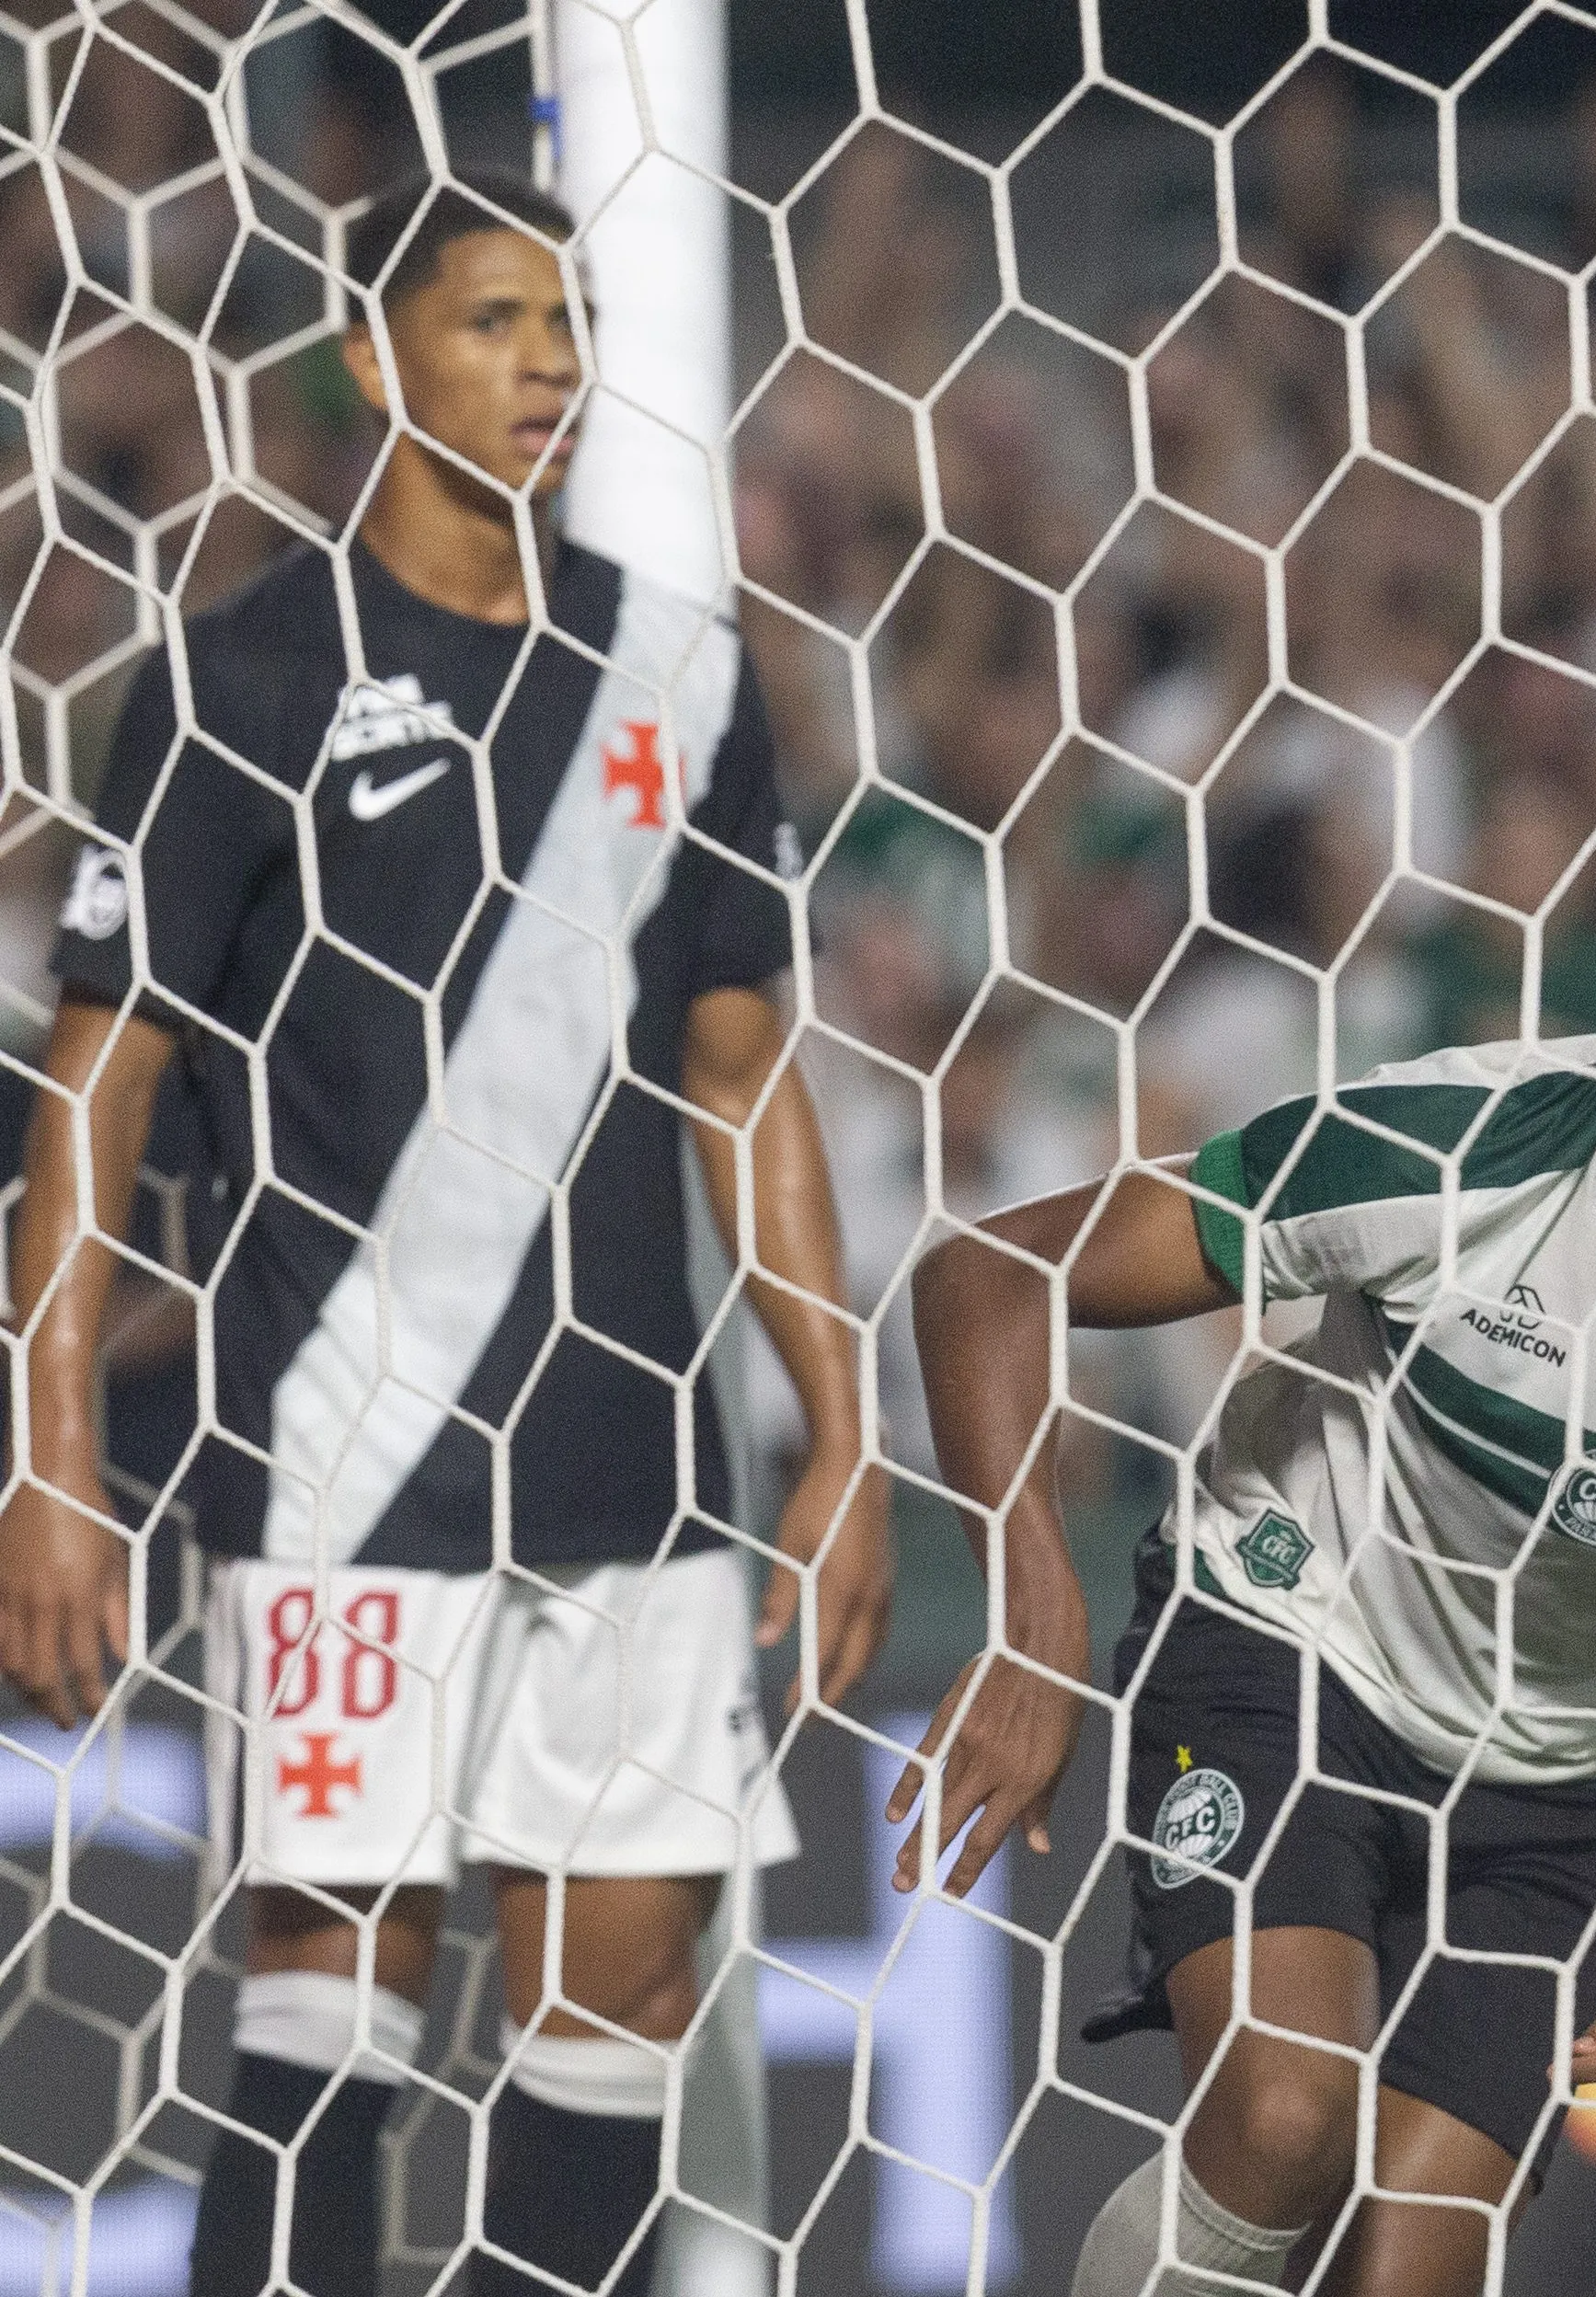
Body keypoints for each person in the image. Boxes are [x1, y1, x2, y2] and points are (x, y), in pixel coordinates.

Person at [0, 173, 887, 2297]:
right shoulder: (243, 679)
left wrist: (843, 1431)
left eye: (569, 323)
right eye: (494, 320)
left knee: (623, 2006)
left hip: (633, 1464)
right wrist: (50, 1458)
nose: (549, 363)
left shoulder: (679, 674)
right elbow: (99, 1086)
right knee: (330, 2007)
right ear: (372, 360)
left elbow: (744, 1071)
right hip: (351, 1457)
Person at [899, 807, 1596, 2297]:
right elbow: (990, 1276)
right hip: (1291, 1649)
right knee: (1287, 2120)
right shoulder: (1460, 1148)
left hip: (1558, 1782)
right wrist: (1032, 1615)